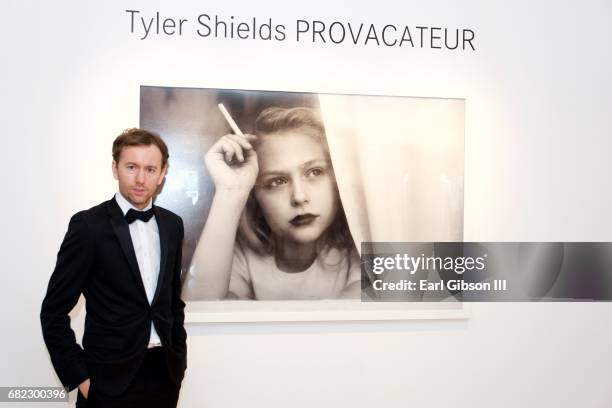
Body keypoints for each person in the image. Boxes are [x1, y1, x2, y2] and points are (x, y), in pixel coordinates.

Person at [40, 128, 187, 407]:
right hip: (107, 381)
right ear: (115, 168)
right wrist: (80, 378)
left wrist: (178, 360)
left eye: (150, 169)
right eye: (131, 167)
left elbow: (172, 302)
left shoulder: (172, 224)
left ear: (163, 173)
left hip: (164, 376)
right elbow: (53, 312)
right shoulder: (88, 226)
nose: (141, 178)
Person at [183, 107, 360, 300]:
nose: (299, 197)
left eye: (314, 172)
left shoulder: (365, 249)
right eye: (277, 181)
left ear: (338, 179)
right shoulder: (241, 257)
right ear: (256, 197)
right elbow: (198, 312)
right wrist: (230, 192)